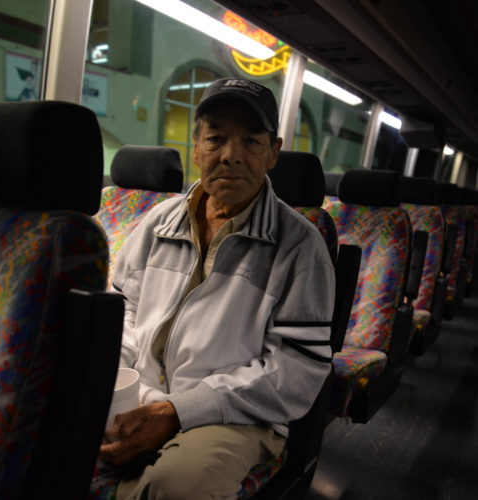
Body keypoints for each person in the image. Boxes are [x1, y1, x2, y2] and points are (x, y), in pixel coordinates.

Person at [100, 78, 335, 499]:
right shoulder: (157, 223)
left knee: (177, 486)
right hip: (140, 390)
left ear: (273, 153)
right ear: (196, 147)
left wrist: (179, 410)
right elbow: (124, 312)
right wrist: (115, 381)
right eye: (216, 138)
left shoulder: (300, 248)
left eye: (250, 141)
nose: (231, 155)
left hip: (236, 415)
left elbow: (298, 368)